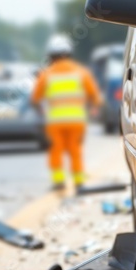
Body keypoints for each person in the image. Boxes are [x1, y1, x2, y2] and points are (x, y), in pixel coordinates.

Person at [31, 34, 103, 191]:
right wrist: (93, 109)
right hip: (76, 121)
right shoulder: (81, 72)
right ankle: (78, 182)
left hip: (55, 122)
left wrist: (40, 111)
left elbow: (35, 98)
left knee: (55, 150)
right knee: (75, 151)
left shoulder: (46, 74)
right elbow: (95, 97)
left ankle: (59, 182)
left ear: (51, 55)